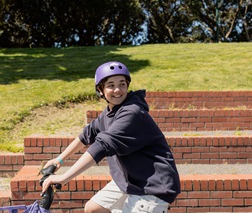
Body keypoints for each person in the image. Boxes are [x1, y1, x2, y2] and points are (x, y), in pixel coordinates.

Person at [41, 61, 181, 213]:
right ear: (100, 90)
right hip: (130, 181)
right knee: (93, 209)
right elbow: (87, 134)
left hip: (153, 187)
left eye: (122, 84)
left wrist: (64, 178)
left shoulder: (132, 113)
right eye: (110, 85)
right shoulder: (110, 113)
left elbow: (101, 146)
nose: (117, 90)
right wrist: (59, 160)